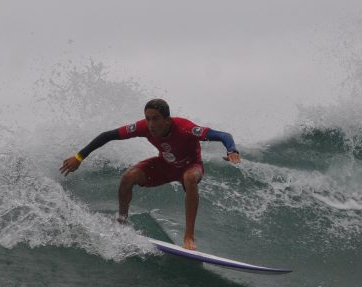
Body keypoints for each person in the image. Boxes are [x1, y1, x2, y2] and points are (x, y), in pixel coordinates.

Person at [60, 98, 240, 250]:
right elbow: (108, 135)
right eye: (148, 119)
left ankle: (189, 237)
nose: (151, 124)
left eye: (156, 119)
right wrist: (79, 157)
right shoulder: (143, 127)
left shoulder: (185, 128)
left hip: (191, 166)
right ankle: (121, 222)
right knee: (128, 177)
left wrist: (232, 150)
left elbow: (224, 135)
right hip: (166, 166)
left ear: (167, 119)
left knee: (189, 178)